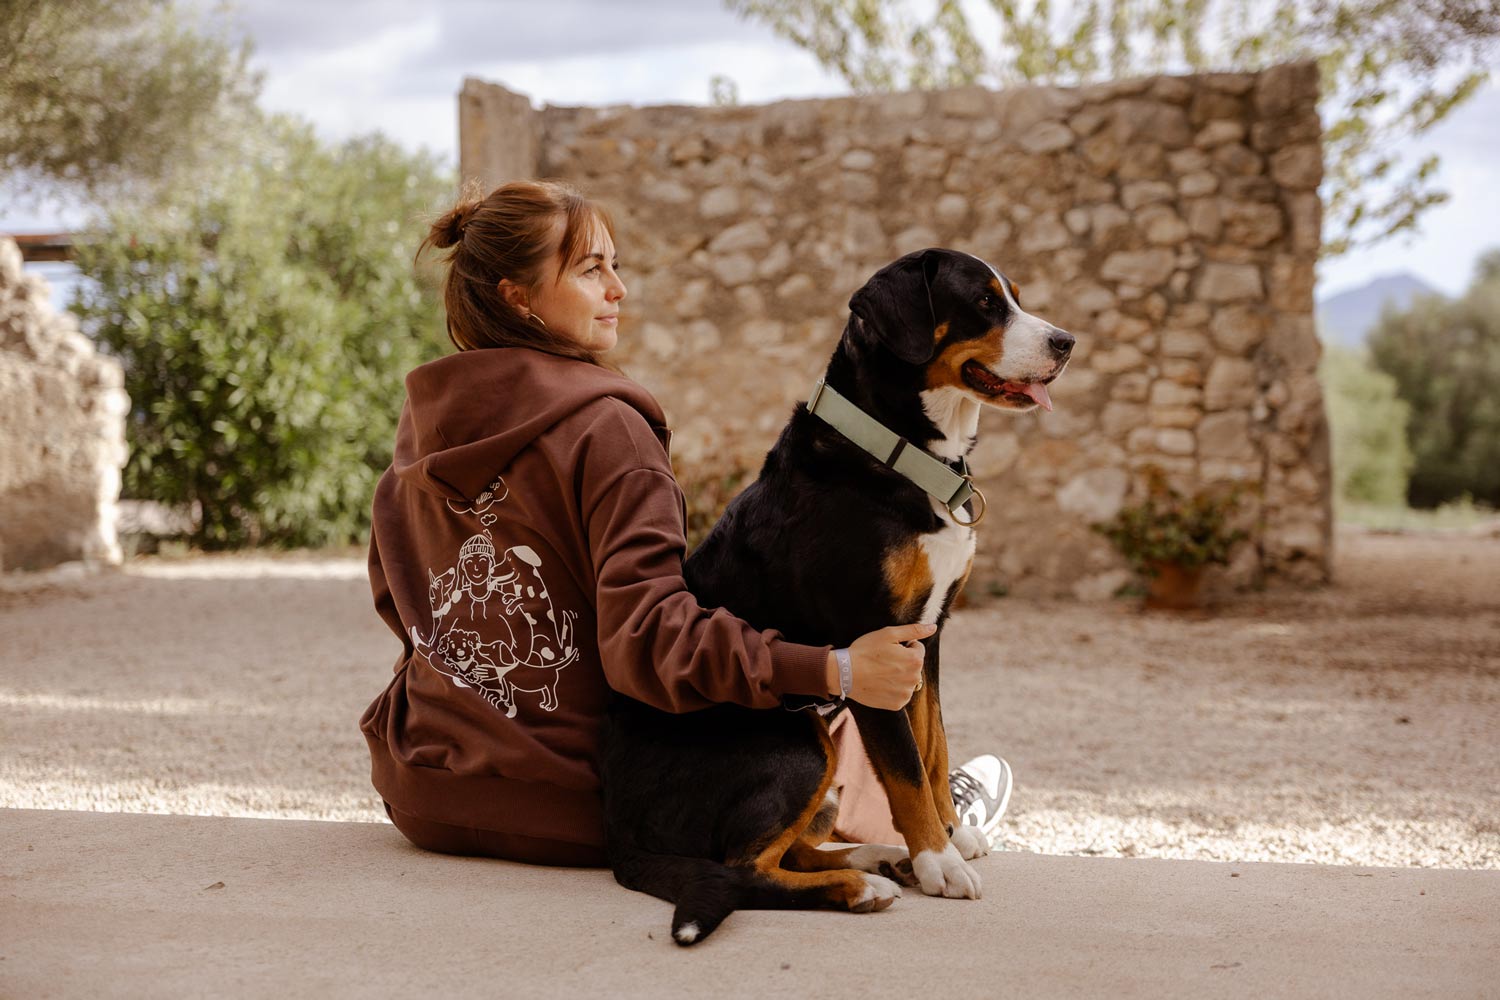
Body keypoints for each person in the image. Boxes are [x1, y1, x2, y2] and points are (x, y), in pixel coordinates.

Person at [359, 179, 1011, 868]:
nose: (618, 289)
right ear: (515, 296)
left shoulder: (420, 430)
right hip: (573, 804)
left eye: (615, 265)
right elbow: (651, 642)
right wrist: (830, 665)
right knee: (831, 712)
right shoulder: (608, 432)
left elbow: (397, 599)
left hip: (422, 793)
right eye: (590, 269)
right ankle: (941, 809)